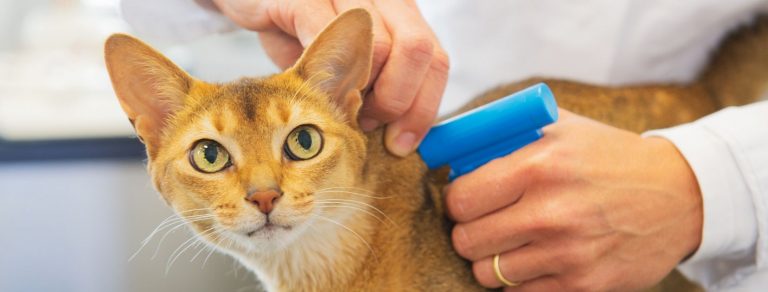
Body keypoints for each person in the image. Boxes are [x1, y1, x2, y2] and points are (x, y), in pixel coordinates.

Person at [120, 0, 768, 290]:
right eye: (211, 156)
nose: (262, 192)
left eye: (301, 142)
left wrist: (708, 182)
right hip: (434, 110)